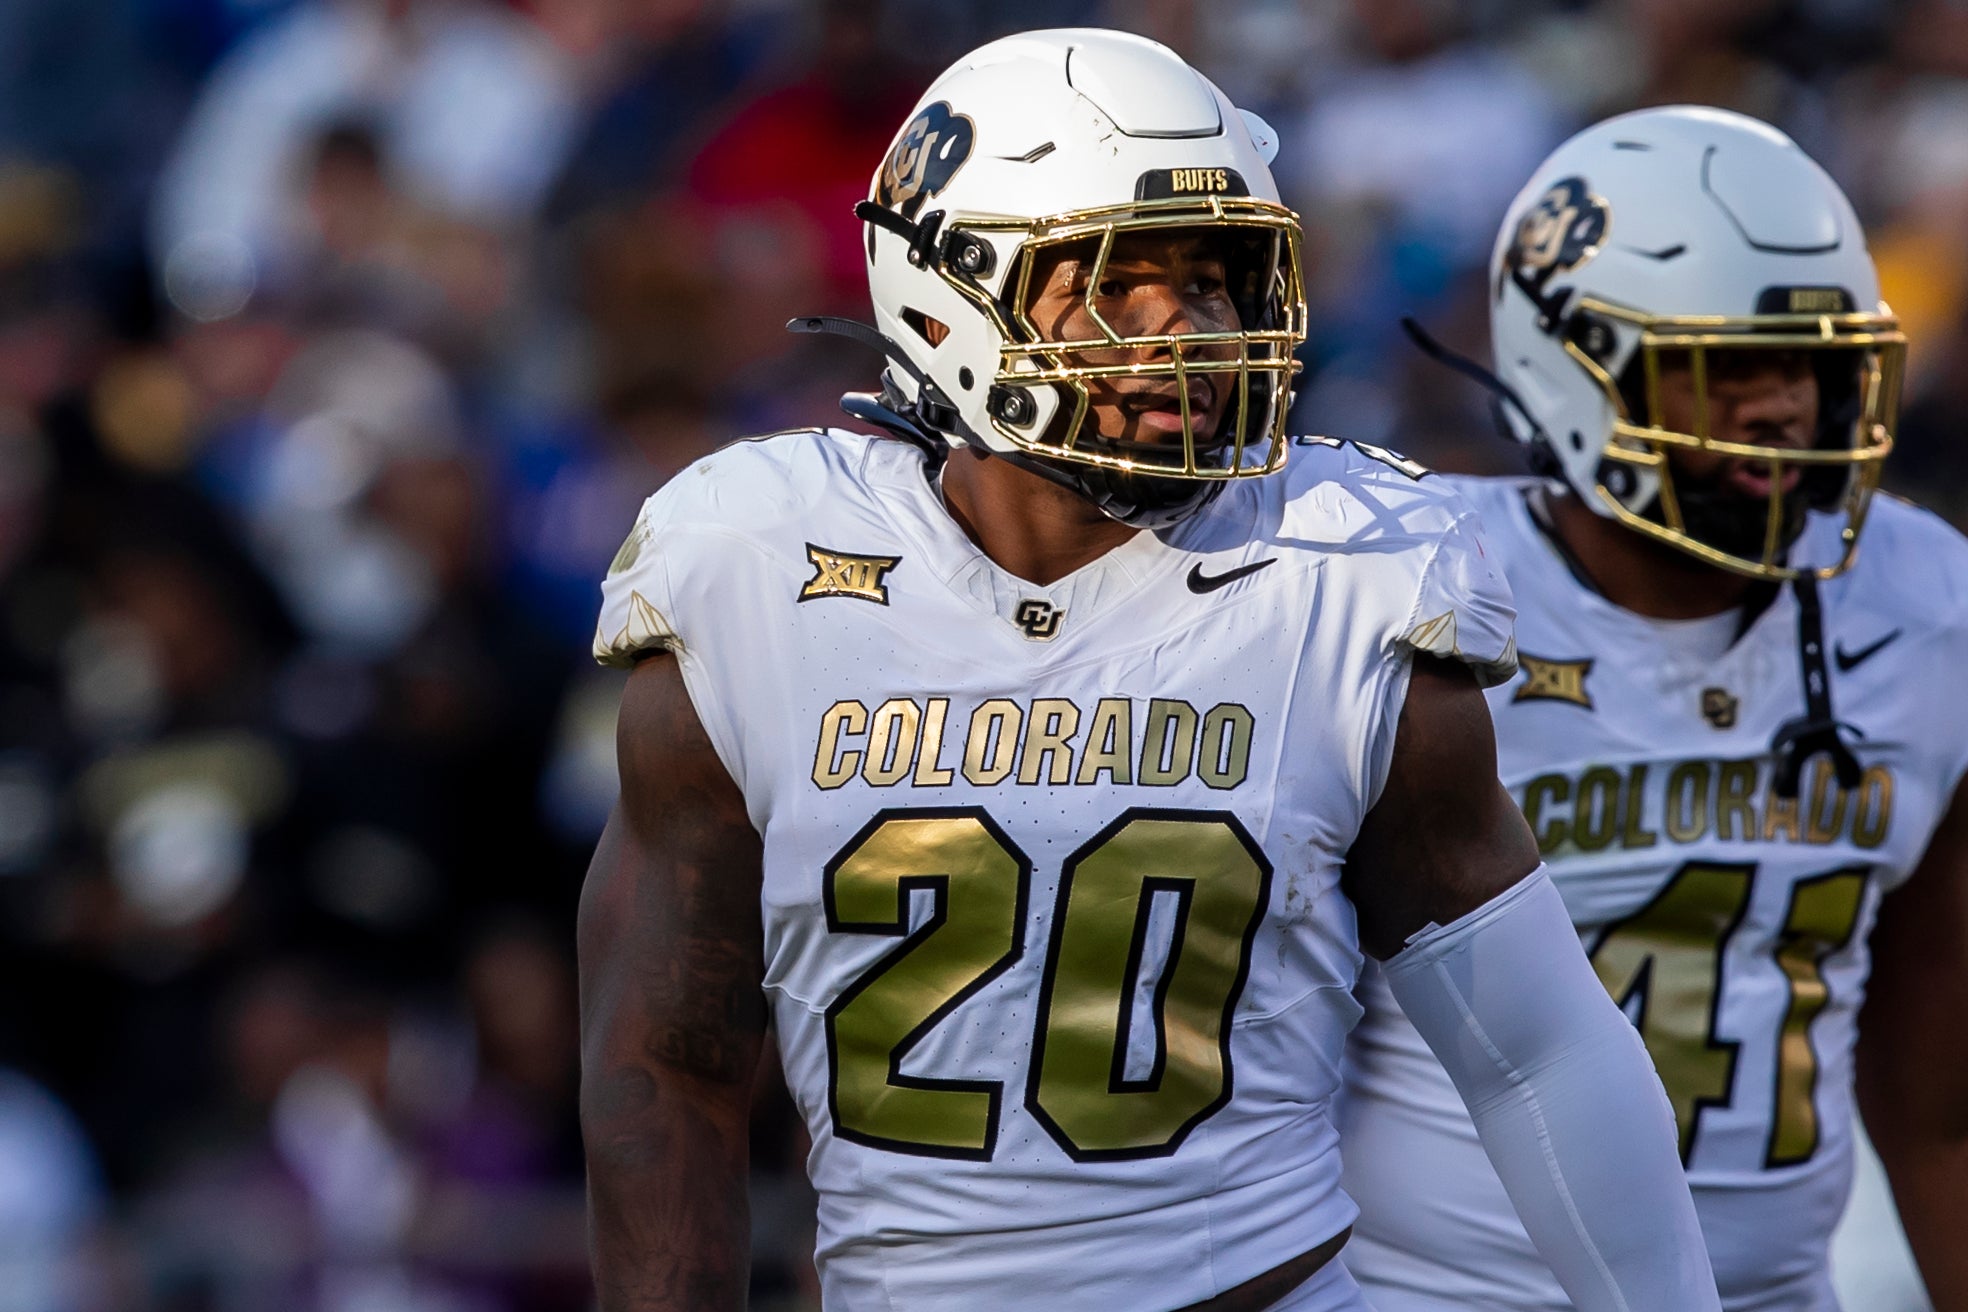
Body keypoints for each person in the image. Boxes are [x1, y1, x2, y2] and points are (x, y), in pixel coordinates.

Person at [577, 31, 1720, 1312]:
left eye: (1218, 280)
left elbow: (1541, 1053)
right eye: (1120, 283)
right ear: (951, 292)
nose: (1187, 324)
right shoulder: (760, 569)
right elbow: (665, 1064)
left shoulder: (1334, 571)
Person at [1340, 105, 1968, 1312]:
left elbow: (1940, 1101)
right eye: (1730, 364)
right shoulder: (1408, 590)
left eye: (1816, 363)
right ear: (1574, 364)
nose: (1787, 408)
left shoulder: (1926, 601)